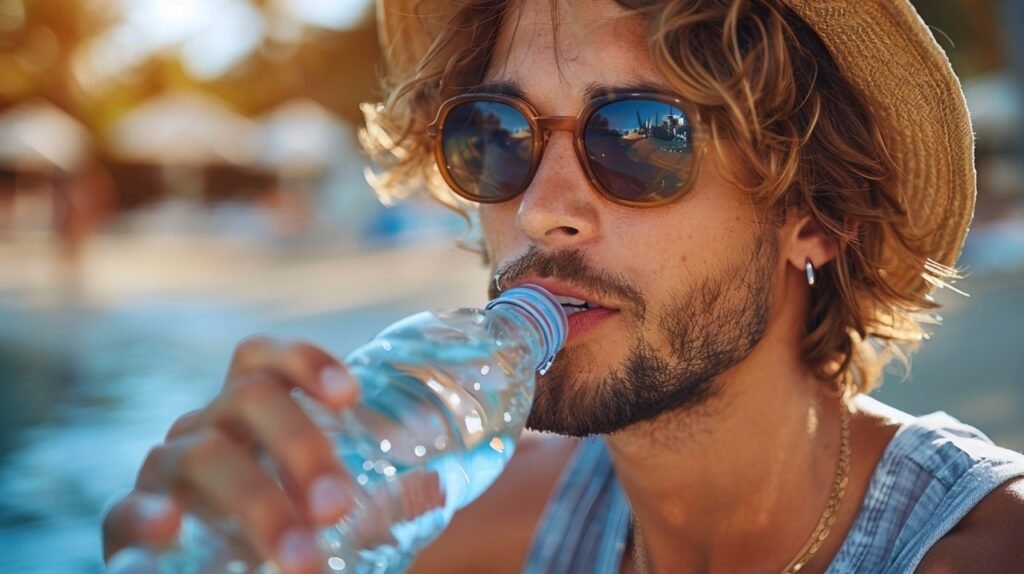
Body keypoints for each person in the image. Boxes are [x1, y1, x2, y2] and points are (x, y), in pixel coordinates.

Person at [102, 0, 1024, 572]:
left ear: (815, 214)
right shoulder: (470, 521)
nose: (544, 211)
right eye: (497, 135)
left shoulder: (979, 550)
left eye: (638, 136)